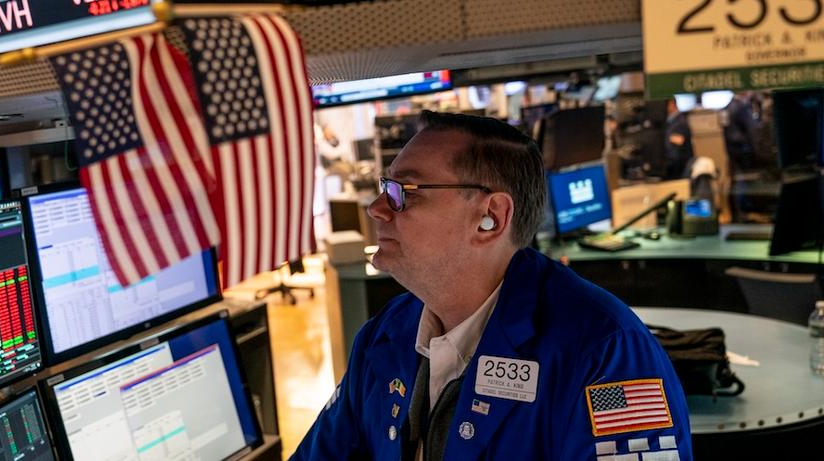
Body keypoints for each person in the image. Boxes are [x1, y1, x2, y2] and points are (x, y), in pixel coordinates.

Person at [292, 112, 691, 460]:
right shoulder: (385, 334)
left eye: (403, 193)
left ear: (491, 218)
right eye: (385, 188)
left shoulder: (608, 354)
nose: (376, 209)